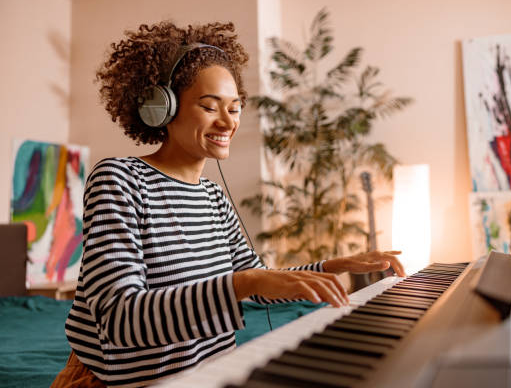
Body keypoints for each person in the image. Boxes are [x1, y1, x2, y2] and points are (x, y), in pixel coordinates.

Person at [51, 20, 405, 387]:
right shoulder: (119, 180)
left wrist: (333, 266)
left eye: (234, 108)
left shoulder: (214, 197)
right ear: (162, 108)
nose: (227, 122)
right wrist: (244, 282)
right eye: (210, 106)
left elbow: (260, 284)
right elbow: (120, 320)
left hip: (206, 377)